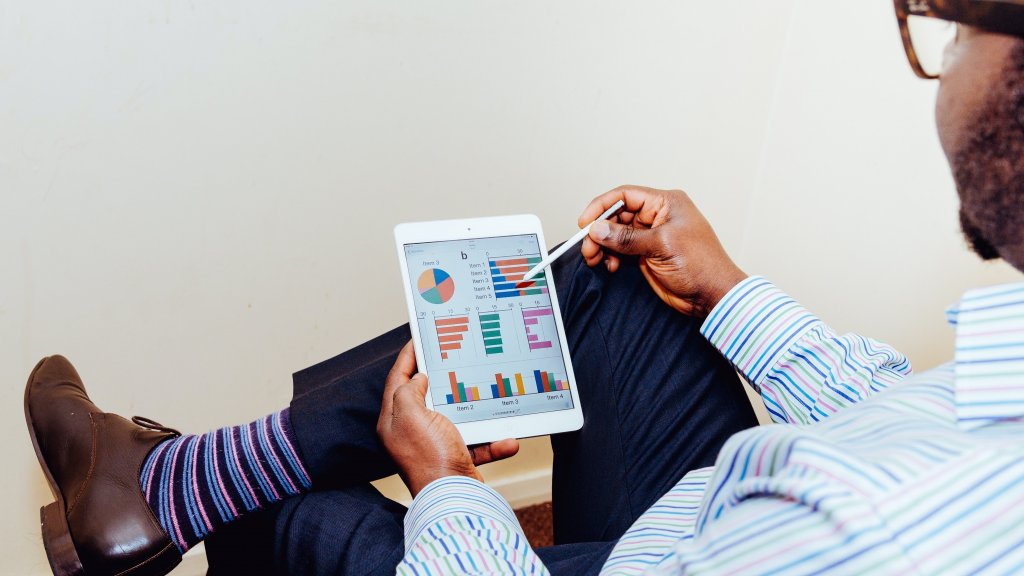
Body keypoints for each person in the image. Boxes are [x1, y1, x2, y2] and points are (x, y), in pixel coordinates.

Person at [23, 0, 1024, 573]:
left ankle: (177, 486)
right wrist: (725, 289)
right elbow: (905, 415)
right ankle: (158, 485)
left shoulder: (877, 534)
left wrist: (448, 489)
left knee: (288, 514)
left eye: (955, 30)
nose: (945, 68)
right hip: (726, 524)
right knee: (617, 281)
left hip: (725, 547)